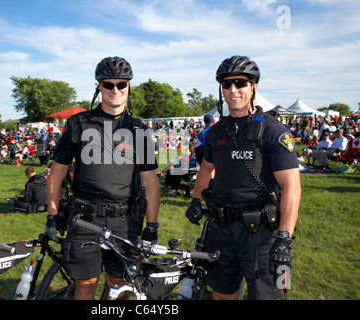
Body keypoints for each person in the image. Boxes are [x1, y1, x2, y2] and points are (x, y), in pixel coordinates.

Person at [185, 55, 301, 300]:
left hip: (263, 234)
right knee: (221, 295)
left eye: (240, 83)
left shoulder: (273, 131)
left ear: (254, 87)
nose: (233, 90)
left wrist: (285, 238)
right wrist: (196, 200)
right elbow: (206, 168)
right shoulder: (216, 132)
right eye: (227, 84)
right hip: (221, 229)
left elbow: (291, 185)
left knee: (267, 296)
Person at [46, 56, 160, 300]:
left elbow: (150, 181)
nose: (115, 90)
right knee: (86, 283)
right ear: (99, 86)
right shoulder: (78, 123)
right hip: (85, 218)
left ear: (129, 86)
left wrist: (152, 225)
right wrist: (52, 214)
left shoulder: (140, 129)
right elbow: (57, 171)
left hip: (124, 219)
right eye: (108, 85)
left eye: (121, 85)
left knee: (118, 284)